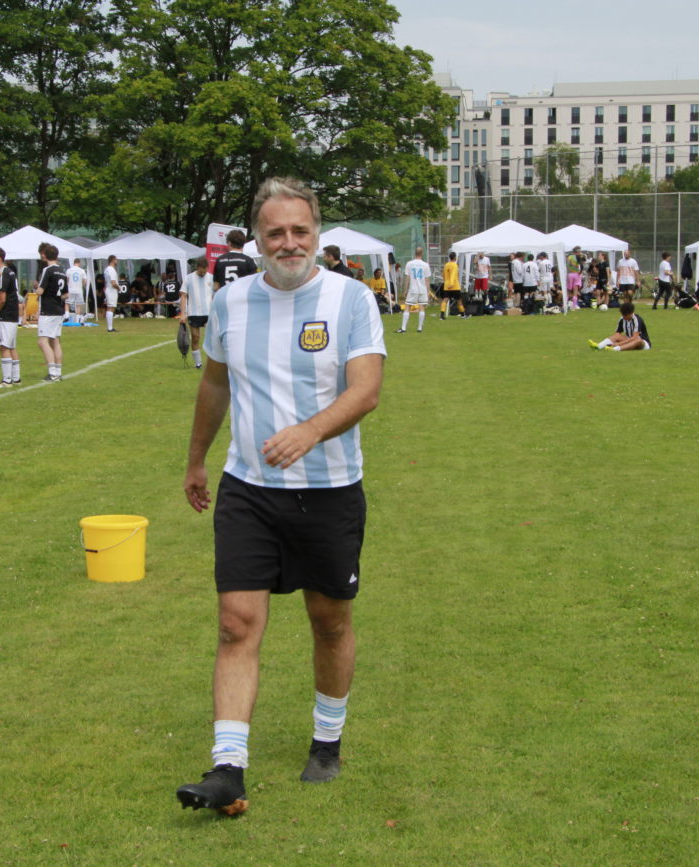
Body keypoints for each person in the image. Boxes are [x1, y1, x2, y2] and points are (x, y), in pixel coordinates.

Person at [177, 176, 385, 815]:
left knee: (330, 621)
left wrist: (310, 431)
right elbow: (215, 384)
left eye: (300, 230)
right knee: (236, 623)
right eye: (276, 232)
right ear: (258, 240)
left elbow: (366, 389)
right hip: (249, 489)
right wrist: (196, 461)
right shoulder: (231, 301)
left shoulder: (352, 298)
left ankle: (326, 741)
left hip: (328, 491)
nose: (289, 242)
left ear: (316, 233)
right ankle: (228, 769)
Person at [0, 247, 21, 386]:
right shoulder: (10, 272)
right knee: (11, 346)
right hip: (13, 313)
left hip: (5, 314)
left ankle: (7, 380)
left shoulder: (2, 273)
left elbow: (2, 299)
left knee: (3, 347)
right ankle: (16, 378)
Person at [35, 243, 67, 381]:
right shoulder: (62, 271)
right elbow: (66, 294)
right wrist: (56, 296)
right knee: (55, 340)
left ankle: (52, 372)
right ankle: (58, 372)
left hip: (48, 310)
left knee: (42, 341)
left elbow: (40, 290)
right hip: (58, 309)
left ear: (45, 255)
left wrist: (36, 289)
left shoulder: (47, 270)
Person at [179, 256, 213, 369]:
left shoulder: (212, 278)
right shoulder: (189, 278)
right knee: (195, 337)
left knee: (212, 339)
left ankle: (213, 363)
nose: (202, 274)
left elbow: (216, 295)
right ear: (197, 268)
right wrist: (183, 313)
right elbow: (183, 295)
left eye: (204, 272)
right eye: (200, 272)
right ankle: (198, 363)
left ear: (207, 268)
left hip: (209, 313)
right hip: (194, 312)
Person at [397, 246, 430, 333]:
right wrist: (428, 291)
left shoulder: (409, 264)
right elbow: (427, 279)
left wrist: (405, 289)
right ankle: (419, 328)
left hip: (413, 289)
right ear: (422, 253)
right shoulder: (425, 265)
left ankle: (403, 328)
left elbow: (407, 278)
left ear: (415, 253)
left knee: (407, 306)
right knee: (422, 307)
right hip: (422, 289)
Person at [65, 258, 88, 323]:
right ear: (79, 263)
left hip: (71, 289)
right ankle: (77, 320)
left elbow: (67, 279)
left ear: (74, 263)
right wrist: (81, 285)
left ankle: (67, 316)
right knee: (78, 305)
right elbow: (85, 281)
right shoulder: (82, 270)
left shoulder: (69, 270)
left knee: (67, 303)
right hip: (79, 290)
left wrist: (68, 285)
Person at [102, 254, 121, 332]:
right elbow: (113, 283)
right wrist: (118, 288)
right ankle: (110, 328)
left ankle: (110, 327)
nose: (117, 261)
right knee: (111, 308)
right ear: (113, 260)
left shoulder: (107, 269)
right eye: (116, 259)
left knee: (110, 307)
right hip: (111, 290)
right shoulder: (111, 270)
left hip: (108, 289)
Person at [441, 252, 461, 319]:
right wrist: (451, 284)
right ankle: (463, 314)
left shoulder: (446, 265)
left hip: (446, 285)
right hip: (454, 286)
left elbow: (443, 274)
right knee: (459, 300)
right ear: (455, 257)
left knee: (445, 299)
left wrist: (445, 282)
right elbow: (453, 275)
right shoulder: (455, 265)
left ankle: (442, 315)